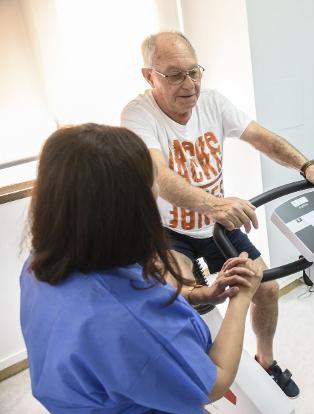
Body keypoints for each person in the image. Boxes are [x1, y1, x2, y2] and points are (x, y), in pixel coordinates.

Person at [121, 31, 314, 397]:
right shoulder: (138, 114)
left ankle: (265, 362)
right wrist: (213, 203)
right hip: (169, 230)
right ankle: (195, 380)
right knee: (181, 297)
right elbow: (158, 175)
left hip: (216, 226)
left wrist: (305, 165)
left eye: (195, 72)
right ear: (149, 76)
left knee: (266, 287)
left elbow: (261, 138)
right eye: (175, 74)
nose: (189, 84)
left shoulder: (214, 103)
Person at [20, 124, 263, 413]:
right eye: (151, 185)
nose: (157, 191)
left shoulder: (39, 265)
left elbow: (132, 299)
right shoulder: (127, 322)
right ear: (124, 209)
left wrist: (198, 295)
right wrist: (242, 298)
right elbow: (213, 383)